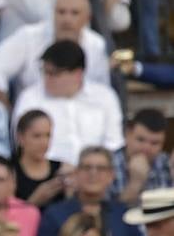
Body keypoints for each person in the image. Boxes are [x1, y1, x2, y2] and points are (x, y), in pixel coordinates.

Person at [11, 40, 122, 168]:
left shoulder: (105, 96)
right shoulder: (30, 97)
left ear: (78, 74)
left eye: (54, 74)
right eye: (45, 72)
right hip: (47, 172)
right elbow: (22, 142)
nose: (47, 78)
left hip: (96, 172)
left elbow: (114, 144)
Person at [35, 146, 143, 236]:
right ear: (76, 173)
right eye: (87, 168)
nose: (93, 173)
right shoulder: (54, 215)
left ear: (111, 175)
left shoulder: (125, 215)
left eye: (101, 168)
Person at [0, 0, 108, 94]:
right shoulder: (28, 36)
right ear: (53, 13)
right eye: (61, 12)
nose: (67, 19)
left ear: (87, 18)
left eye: (74, 13)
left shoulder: (96, 44)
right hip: (33, 112)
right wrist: (4, 104)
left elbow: (102, 91)